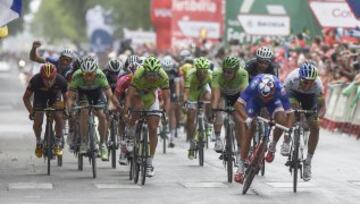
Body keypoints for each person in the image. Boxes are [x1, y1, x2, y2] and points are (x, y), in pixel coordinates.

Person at [234, 74, 294, 183]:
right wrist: (247, 118)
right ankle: (240, 168)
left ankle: (272, 146)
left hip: (274, 102)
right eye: (263, 96)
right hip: (255, 101)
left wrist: (287, 132)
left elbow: (290, 113)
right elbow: (238, 105)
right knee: (250, 128)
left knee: (281, 119)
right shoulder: (254, 85)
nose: (265, 99)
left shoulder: (280, 89)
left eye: (267, 97)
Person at [67, 56, 121, 161]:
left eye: (90, 74)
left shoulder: (100, 76)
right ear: (81, 72)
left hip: (97, 94)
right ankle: (83, 142)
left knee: (102, 115)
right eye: (85, 74)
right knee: (84, 111)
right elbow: (70, 97)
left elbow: (110, 95)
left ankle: (103, 145)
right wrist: (69, 108)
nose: (87, 77)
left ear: (95, 73)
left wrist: (117, 106)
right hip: (83, 95)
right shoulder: (77, 76)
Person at [123, 56, 170, 177]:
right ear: (145, 71)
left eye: (154, 75)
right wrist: (127, 109)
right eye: (149, 74)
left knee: (153, 128)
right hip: (138, 94)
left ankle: (149, 162)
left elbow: (166, 97)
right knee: (137, 108)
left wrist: (165, 111)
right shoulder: (138, 74)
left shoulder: (163, 76)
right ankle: (130, 135)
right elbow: (129, 95)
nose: (152, 77)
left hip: (151, 97)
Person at [283, 61, 326, 181]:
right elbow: (283, 98)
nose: (309, 84)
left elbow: (322, 107)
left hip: (310, 98)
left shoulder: (318, 85)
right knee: (292, 111)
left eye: (312, 81)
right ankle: (286, 139)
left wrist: (318, 117)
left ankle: (308, 162)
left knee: (316, 127)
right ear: (300, 78)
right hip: (293, 93)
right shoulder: (292, 78)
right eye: (306, 81)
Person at [23, 63, 68, 157]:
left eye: (51, 79)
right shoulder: (35, 80)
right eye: (45, 79)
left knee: (59, 117)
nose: (48, 82)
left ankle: (58, 143)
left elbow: (67, 98)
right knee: (38, 119)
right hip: (40, 99)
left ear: (55, 76)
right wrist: (31, 112)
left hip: (55, 98)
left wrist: (66, 109)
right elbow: (26, 98)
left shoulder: (61, 80)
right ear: (41, 77)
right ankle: (39, 142)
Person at [210, 56, 248, 165]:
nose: (226, 74)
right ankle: (217, 138)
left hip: (237, 96)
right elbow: (216, 96)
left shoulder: (243, 73)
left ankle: (240, 150)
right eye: (225, 71)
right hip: (223, 95)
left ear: (236, 71)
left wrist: (241, 110)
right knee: (218, 108)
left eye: (229, 72)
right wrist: (214, 110)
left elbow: (244, 96)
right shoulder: (217, 74)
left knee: (239, 121)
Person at [183, 57, 212, 160]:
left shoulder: (210, 75)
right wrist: (185, 103)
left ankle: (209, 121)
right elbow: (186, 92)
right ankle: (192, 141)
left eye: (205, 71)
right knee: (191, 117)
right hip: (193, 92)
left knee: (210, 97)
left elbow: (215, 91)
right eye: (200, 71)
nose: (202, 74)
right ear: (196, 70)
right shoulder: (190, 75)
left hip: (204, 88)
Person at [161, 55, 180, 148]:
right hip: (161, 89)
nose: (167, 72)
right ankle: (161, 124)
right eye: (165, 70)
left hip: (171, 90)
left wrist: (176, 94)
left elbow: (177, 84)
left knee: (171, 112)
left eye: (168, 70)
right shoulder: (159, 70)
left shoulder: (175, 71)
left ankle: (172, 136)